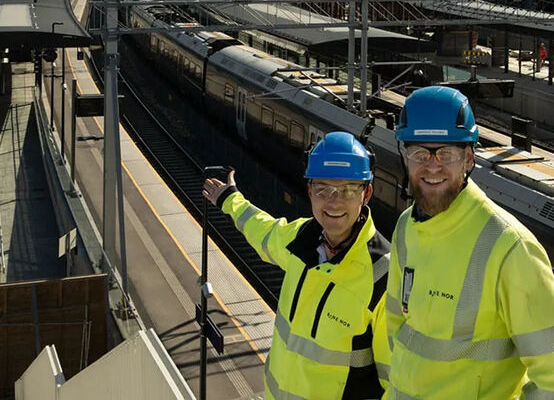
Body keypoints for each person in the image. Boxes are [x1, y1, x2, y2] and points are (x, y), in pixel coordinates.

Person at [386, 86, 554, 399]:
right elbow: (397, 328)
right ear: (405, 157)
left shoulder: (510, 247)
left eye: (446, 154)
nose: (432, 166)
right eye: (420, 154)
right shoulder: (406, 227)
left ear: (468, 159)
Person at [203, 132, 391, 399]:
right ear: (310, 191)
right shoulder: (300, 238)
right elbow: (263, 231)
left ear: (366, 193)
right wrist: (229, 199)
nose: (334, 202)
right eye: (323, 189)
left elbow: (396, 384)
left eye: (349, 189)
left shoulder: (384, 276)